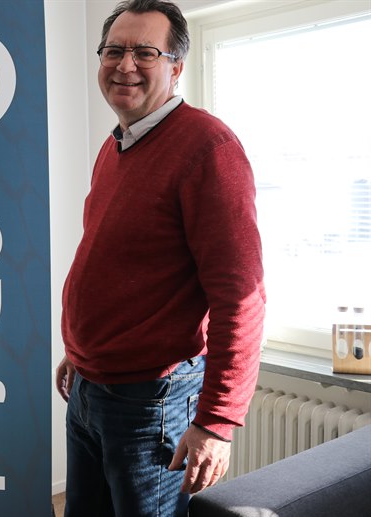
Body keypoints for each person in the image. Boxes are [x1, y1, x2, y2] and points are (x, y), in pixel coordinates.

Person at [54, 1, 265, 516]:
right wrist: (81, 351)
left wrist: (217, 422)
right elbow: (116, 262)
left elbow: (242, 297)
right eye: (114, 51)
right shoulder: (117, 144)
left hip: (152, 401)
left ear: (176, 67)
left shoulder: (208, 147)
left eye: (145, 52)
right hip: (89, 387)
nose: (125, 65)